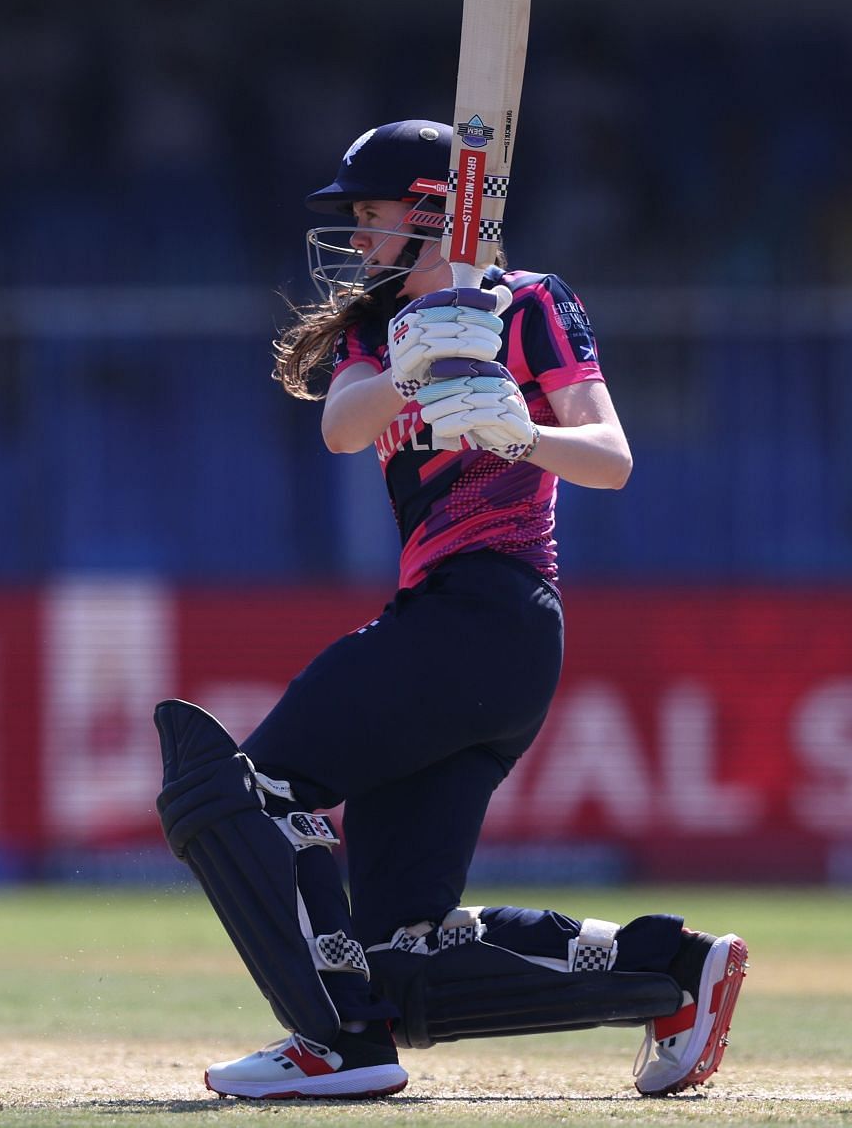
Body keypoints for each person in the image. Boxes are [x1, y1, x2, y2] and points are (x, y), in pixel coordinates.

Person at [151, 119, 748, 1100]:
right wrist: (412, 366)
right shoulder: (376, 329)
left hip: (492, 614)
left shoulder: (531, 306)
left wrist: (517, 430)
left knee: (239, 790)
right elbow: (345, 429)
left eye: (373, 215)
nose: (359, 236)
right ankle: (677, 970)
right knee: (401, 950)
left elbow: (610, 456)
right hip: (464, 635)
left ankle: (333, 1043)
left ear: (434, 208)